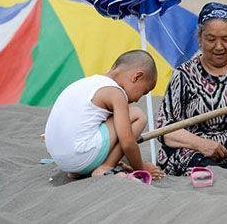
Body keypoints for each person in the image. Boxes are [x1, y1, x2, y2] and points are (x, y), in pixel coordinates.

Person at [156, 2, 227, 176]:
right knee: (208, 175)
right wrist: (202, 144)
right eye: (211, 39)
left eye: (226, 39)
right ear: (199, 38)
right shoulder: (184, 75)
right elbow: (165, 131)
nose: (219, 47)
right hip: (194, 153)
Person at [44, 50, 165, 180]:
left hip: (61, 161)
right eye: (144, 91)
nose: (138, 99)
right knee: (137, 115)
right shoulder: (116, 93)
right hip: (80, 155)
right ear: (137, 77)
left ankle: (81, 170)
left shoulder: (86, 83)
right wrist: (141, 167)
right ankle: (106, 167)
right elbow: (128, 143)